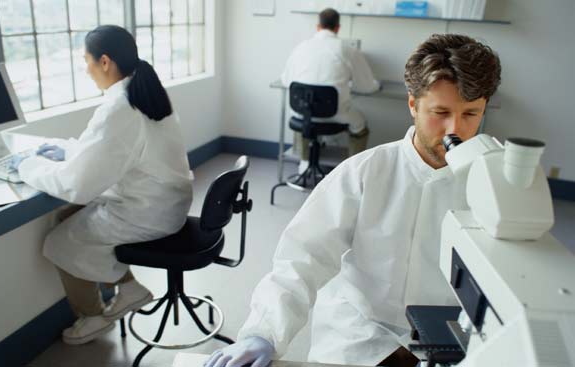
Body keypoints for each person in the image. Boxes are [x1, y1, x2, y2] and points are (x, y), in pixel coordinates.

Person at [205, 34, 501, 367]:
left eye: (471, 114)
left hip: (450, 338)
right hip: (361, 335)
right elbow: (302, 259)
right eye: (441, 112)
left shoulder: (493, 183)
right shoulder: (363, 173)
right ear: (413, 105)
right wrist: (263, 333)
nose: (455, 130)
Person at [10, 25, 193, 345]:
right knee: (68, 218)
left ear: (105, 61)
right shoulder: (143, 88)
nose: (86, 68)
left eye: (87, 60)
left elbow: (76, 184)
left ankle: (93, 318)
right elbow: (113, 150)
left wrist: (27, 166)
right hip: (163, 202)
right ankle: (131, 288)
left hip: (148, 212)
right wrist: (67, 150)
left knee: (59, 242)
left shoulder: (120, 106)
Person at [281, 8, 381, 172]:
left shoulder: (301, 47)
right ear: (337, 28)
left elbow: (286, 81)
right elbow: (366, 86)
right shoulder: (347, 50)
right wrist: (377, 85)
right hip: (336, 114)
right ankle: (352, 171)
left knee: (305, 115)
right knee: (360, 124)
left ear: (318, 26)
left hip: (303, 112)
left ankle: (304, 162)